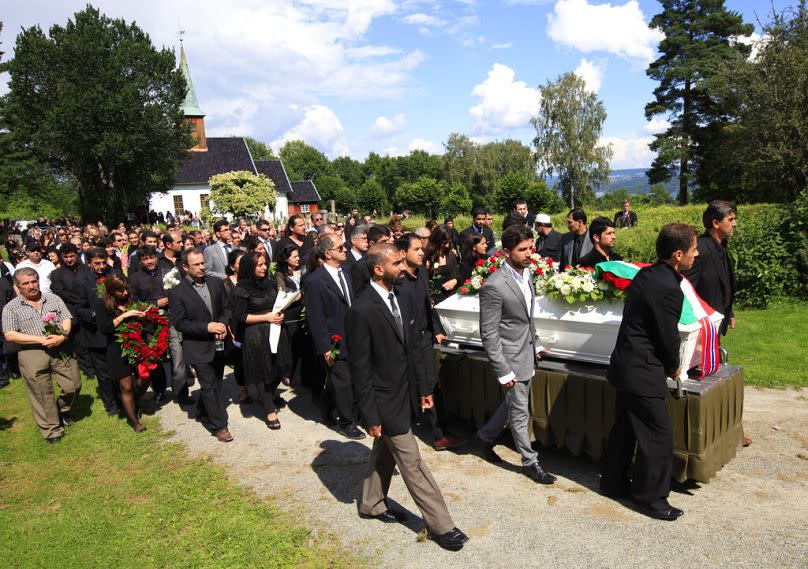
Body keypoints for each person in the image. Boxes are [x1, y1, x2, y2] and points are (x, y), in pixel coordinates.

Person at [346, 244, 468, 551]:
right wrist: (370, 415)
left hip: (406, 392)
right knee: (412, 462)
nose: (404, 267)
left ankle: (372, 503)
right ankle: (442, 525)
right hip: (383, 400)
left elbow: (411, 348)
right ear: (378, 269)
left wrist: (423, 390)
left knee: (384, 452)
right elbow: (360, 370)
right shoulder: (360, 310)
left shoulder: (400, 295)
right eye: (398, 262)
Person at [600, 223, 698, 521]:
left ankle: (613, 483)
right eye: (693, 250)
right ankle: (651, 498)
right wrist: (673, 367)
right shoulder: (669, 287)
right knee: (658, 435)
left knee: (626, 428)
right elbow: (666, 335)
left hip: (625, 364)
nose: (697, 254)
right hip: (643, 369)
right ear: (678, 254)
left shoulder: (646, 274)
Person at [475, 224, 557, 484]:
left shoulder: (527, 274)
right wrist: (503, 370)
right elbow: (488, 333)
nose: (529, 253)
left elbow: (526, 318)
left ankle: (485, 437)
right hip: (510, 359)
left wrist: (537, 342)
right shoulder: (494, 286)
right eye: (522, 249)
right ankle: (530, 462)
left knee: (512, 405)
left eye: (531, 247)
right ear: (506, 252)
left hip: (527, 352)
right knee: (520, 411)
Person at [396, 234, 465, 452]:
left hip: (424, 338)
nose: (421, 252)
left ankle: (439, 434)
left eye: (421, 248)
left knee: (431, 384)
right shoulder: (397, 280)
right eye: (416, 249)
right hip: (406, 343)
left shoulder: (422, 273)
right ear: (402, 253)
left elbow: (429, 304)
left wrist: (437, 330)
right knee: (408, 385)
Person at [2, 268, 81, 443]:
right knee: (41, 392)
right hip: (32, 352)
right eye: (26, 283)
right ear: (17, 286)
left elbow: (66, 318)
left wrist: (62, 335)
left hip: (60, 346)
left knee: (73, 385)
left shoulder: (53, 298)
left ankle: (61, 411)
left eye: (34, 281)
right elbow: (10, 334)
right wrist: (41, 339)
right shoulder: (11, 308)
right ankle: (52, 430)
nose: (31, 286)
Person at [168, 248, 234, 442]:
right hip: (197, 346)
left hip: (219, 343)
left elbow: (227, 308)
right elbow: (180, 323)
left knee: (217, 381)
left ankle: (201, 409)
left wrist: (222, 324)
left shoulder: (215, 283)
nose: (201, 267)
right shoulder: (177, 292)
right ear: (185, 267)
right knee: (208, 386)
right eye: (196, 264)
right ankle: (219, 425)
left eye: (202, 263)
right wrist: (207, 327)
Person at [302, 234, 365, 440]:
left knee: (346, 378)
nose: (345, 249)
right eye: (340, 247)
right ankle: (347, 422)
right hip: (334, 340)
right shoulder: (315, 281)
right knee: (343, 380)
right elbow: (316, 318)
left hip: (353, 335)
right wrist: (325, 348)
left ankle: (326, 405)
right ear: (328, 253)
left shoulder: (346, 271)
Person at [231, 252, 287, 430]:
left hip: (275, 329)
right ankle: (270, 410)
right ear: (249, 267)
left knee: (281, 367)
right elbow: (241, 317)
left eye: (265, 264)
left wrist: (279, 314)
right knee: (263, 371)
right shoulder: (241, 289)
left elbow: (277, 303)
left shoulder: (270, 283)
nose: (264, 268)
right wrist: (266, 317)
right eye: (259, 265)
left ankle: (268, 394)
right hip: (255, 333)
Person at [70, 247, 122, 416]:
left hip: (115, 328)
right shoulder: (81, 281)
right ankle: (111, 404)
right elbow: (77, 307)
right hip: (95, 333)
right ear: (89, 263)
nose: (101, 266)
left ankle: (124, 397)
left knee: (119, 368)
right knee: (104, 373)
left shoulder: (113, 274)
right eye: (97, 263)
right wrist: (93, 314)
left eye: (103, 262)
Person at [96, 274, 149, 432]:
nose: (125, 293)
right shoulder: (102, 304)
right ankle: (134, 421)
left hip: (136, 345)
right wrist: (124, 315)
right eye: (120, 291)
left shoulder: (131, 300)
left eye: (126, 289)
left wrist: (143, 316)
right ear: (111, 291)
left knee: (144, 380)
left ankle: (131, 401)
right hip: (116, 348)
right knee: (125, 385)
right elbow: (104, 328)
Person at [682, 200, 737, 337]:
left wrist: (729, 312)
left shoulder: (721, 248)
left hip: (715, 322)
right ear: (716, 223)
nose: (735, 224)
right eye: (730, 220)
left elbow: (723, 283)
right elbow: (686, 289)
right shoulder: (699, 251)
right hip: (701, 326)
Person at [274, 245, 305, 387]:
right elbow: (282, 291)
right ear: (286, 259)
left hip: (303, 312)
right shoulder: (280, 274)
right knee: (289, 345)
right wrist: (295, 295)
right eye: (294, 256)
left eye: (298, 256)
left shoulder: (303, 270)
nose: (298, 258)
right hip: (290, 315)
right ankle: (287, 373)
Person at [223, 249, 247, 403]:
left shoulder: (252, 280)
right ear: (233, 267)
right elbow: (224, 309)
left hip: (251, 322)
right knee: (239, 359)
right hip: (234, 326)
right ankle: (243, 388)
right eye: (241, 263)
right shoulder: (225, 284)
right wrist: (228, 328)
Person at [424, 225, 459, 305]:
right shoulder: (427, 257)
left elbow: (456, 275)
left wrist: (454, 281)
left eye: (448, 242)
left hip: (450, 298)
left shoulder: (450, 255)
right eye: (444, 243)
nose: (447, 245)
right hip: (434, 301)